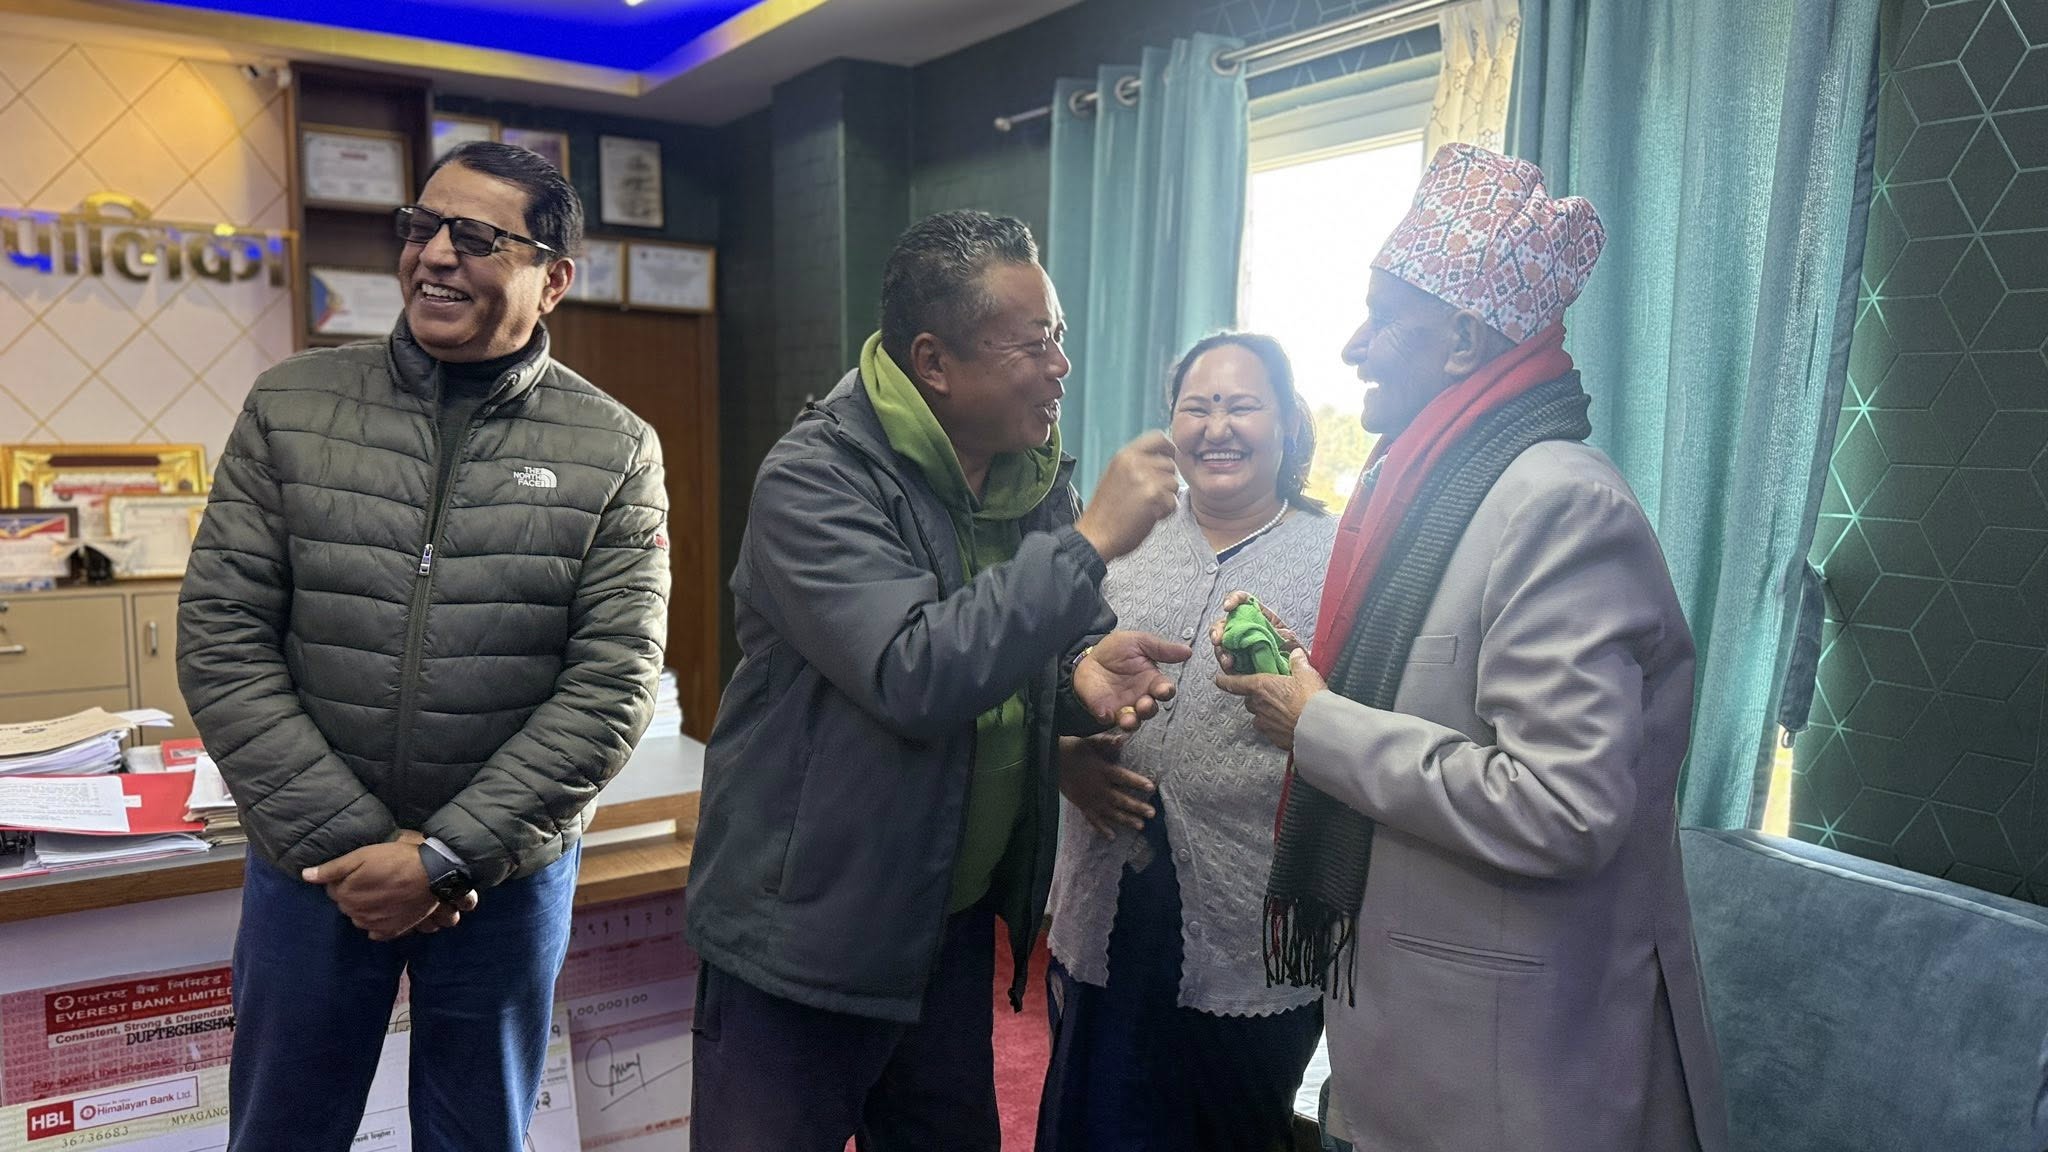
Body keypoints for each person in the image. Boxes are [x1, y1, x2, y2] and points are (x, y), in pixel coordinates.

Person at [1214, 143, 1729, 1152]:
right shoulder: (1436, 492)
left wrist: (1319, 723)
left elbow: (1563, 808)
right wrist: (1311, 686)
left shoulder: (1560, 505)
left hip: (1507, 1081)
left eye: (1380, 316)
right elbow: (1429, 701)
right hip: (1421, 1051)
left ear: (1458, 340)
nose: (1353, 346)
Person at [178, 141, 670, 1152]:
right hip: (313, 871)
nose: (436, 254)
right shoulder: (292, 404)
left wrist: (445, 858)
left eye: (477, 237)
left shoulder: (615, 447)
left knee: (478, 1134)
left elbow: (612, 686)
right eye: (423, 226)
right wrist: (350, 849)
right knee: (280, 1132)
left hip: (501, 877)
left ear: (553, 279)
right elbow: (222, 636)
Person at [686, 209, 1192, 1152]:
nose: (1062, 366)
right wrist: (1090, 542)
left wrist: (1078, 670)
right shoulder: (816, 478)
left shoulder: (1028, 475)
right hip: (804, 934)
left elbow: (1031, 637)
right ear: (934, 363)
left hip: (944, 922)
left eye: (1061, 336)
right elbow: (912, 669)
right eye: (1032, 344)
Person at [1038, 332, 1338, 1152]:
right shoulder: (1120, 539)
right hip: (1111, 900)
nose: (1218, 427)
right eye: (1197, 407)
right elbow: (1042, 671)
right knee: (1094, 1118)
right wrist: (1063, 762)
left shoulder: (1339, 557)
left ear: (1287, 423)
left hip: (1251, 916)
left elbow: (1358, 721)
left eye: (1243, 406)